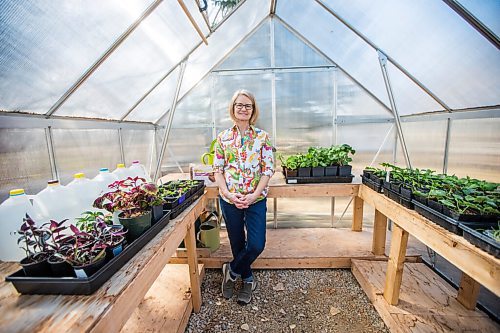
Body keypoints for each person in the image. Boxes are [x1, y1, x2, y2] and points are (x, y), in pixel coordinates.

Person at [213, 89, 274, 305]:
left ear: (253, 110)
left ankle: (231, 270)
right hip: (230, 200)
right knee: (237, 242)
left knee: (256, 244)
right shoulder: (223, 138)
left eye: (248, 105)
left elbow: (268, 170)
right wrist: (228, 193)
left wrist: (254, 195)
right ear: (233, 108)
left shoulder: (262, 137)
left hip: (255, 199)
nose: (243, 109)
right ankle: (247, 280)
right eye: (239, 105)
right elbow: (218, 170)